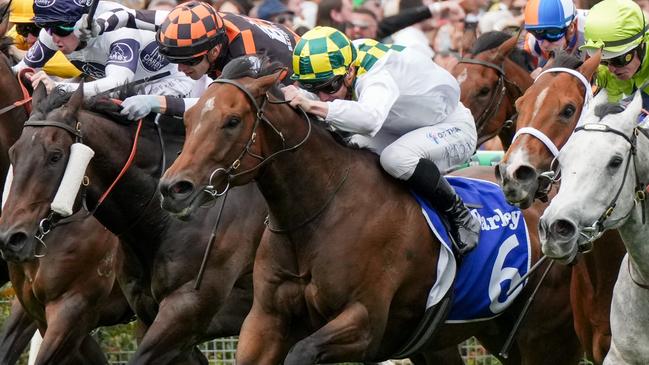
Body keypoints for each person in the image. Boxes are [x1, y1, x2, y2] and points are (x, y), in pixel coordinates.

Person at [283, 26, 480, 253]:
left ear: (349, 72)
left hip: (451, 127)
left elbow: (369, 120)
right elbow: (312, 95)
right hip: (402, 127)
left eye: (329, 87)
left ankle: (460, 215)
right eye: (313, 89)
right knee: (351, 147)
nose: (324, 96)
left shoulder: (376, 72)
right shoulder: (341, 61)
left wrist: (312, 104)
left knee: (396, 158)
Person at [85, 1, 299, 119]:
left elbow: (214, 105)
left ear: (214, 52)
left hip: (301, 80)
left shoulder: (245, 57)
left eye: (189, 61)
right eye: (173, 59)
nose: (180, 68)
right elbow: (130, 15)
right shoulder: (200, 25)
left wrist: (154, 102)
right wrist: (99, 25)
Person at [12, 0, 194, 102]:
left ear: (83, 19)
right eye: (45, 26)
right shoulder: (52, 33)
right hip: (119, 93)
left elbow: (118, 83)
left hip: (171, 84)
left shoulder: (120, 33)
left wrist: (59, 87)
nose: (53, 37)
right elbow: (18, 71)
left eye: (60, 28)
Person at [581, 0, 649, 109]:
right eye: (603, 61)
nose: (611, 69)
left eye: (618, 60)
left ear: (642, 43)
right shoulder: (606, 71)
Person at [6, 0, 80, 78]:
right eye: (22, 29)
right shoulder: (17, 35)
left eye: (35, 30)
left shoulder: (74, 32)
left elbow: (73, 69)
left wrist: (16, 52)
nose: (29, 39)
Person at [523, 0, 588, 74]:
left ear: (571, 27)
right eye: (536, 33)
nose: (544, 44)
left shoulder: (592, 32)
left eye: (552, 33)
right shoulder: (532, 41)